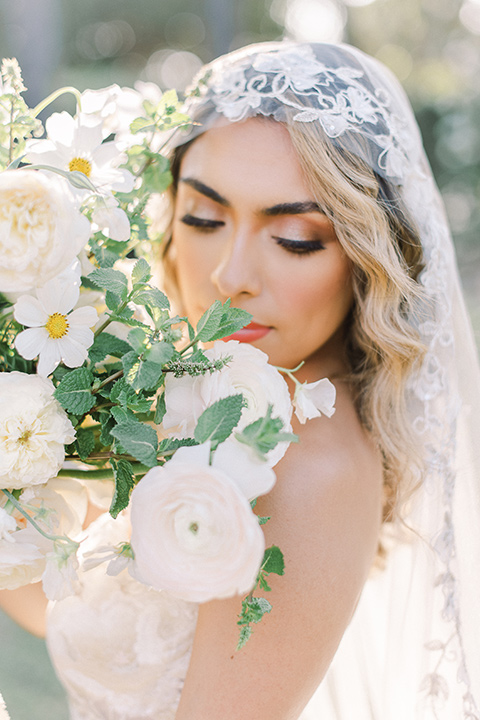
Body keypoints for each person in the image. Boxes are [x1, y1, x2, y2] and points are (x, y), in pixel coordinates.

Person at [2, 40, 480, 720]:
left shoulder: (310, 466)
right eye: (203, 218)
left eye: (294, 238)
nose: (230, 276)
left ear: (369, 254)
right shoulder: (214, 404)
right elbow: (102, 628)